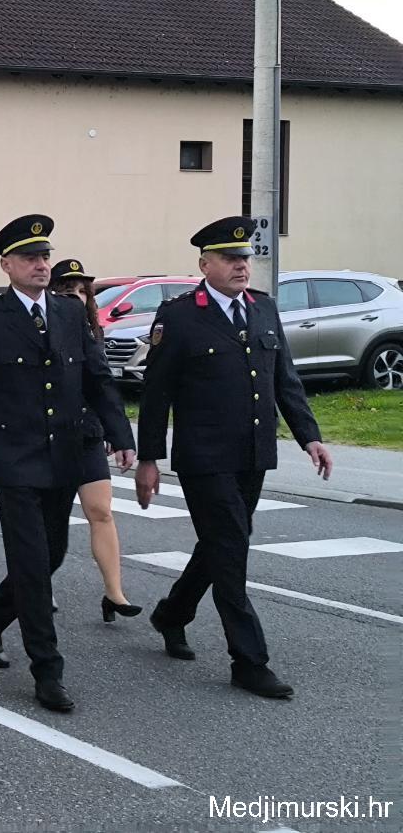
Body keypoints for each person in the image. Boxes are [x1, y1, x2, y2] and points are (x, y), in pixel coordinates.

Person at [136, 216, 333, 700]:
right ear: (205, 265)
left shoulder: (263, 309)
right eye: (229, 258)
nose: (241, 266)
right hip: (204, 457)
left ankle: (172, 613)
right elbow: (157, 393)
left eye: (245, 258)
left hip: (254, 452)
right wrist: (148, 458)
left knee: (222, 544)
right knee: (230, 549)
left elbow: (284, 379)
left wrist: (310, 436)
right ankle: (249, 660)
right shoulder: (180, 316)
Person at [0, 215, 135, 713]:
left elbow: (97, 379)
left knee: (50, 556)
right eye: (30, 258)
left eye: (45, 256)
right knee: (31, 563)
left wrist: (121, 436)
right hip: (16, 459)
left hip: (65, 454)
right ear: (6, 265)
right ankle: (47, 669)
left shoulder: (70, 313)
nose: (41, 265)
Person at [49, 258, 140, 621]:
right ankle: (39, 584)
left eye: (81, 290)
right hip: (52, 437)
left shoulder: (93, 331)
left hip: (88, 434)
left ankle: (114, 593)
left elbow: (102, 385)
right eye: (66, 289)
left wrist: (116, 434)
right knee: (49, 522)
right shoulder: (42, 328)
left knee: (101, 511)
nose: (76, 295)